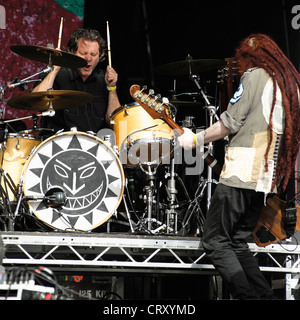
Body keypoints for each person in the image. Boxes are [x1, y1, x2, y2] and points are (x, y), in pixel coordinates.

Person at [177, 34, 300, 299]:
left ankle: (248, 297)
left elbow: (230, 123)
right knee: (237, 242)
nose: (240, 66)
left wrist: (195, 138)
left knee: (215, 240)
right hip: (266, 177)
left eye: (242, 59)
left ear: (250, 57)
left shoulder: (255, 76)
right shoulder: (287, 83)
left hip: (242, 172)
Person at [32, 28, 120, 134]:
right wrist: (54, 69)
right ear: (73, 52)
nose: (88, 58)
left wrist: (112, 88)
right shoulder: (58, 74)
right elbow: (35, 102)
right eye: (83, 53)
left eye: (93, 55)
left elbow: (114, 122)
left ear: (99, 56)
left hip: (94, 147)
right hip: (58, 145)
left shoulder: (103, 79)